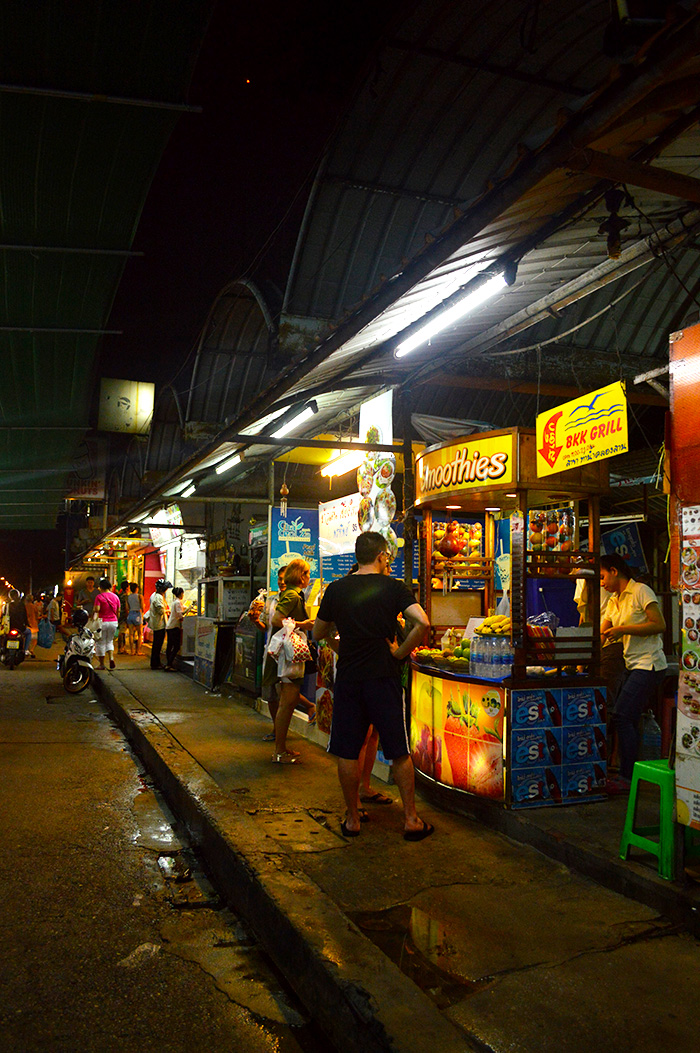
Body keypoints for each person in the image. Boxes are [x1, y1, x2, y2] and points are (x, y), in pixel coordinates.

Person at [313, 531, 433, 840]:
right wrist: (400, 652)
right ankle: (411, 820)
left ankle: (352, 818)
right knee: (399, 751)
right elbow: (422, 622)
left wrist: (340, 648)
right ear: (381, 556)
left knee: (347, 750)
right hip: (384, 677)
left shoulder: (336, 589)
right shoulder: (393, 587)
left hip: (350, 678)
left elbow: (318, 633)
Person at [600, 555, 667, 792]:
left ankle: (628, 777)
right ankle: (633, 773)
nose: (602, 583)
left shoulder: (640, 591)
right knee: (625, 717)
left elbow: (659, 624)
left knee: (622, 716)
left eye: (603, 576)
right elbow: (603, 633)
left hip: (649, 664)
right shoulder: (614, 600)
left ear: (614, 570)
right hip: (632, 665)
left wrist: (623, 630)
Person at [270, 559, 315, 763]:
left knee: (289, 700)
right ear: (300, 575)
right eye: (307, 574)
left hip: (290, 654)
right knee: (287, 703)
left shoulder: (293, 594)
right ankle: (279, 751)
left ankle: (281, 749)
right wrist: (303, 624)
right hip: (290, 654)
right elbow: (276, 619)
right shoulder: (292, 595)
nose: (308, 578)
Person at [93, 577, 121, 670]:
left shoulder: (99, 597)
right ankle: (111, 658)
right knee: (109, 641)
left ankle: (102, 664)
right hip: (113, 622)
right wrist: (116, 620)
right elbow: (118, 611)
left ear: (101, 587)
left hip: (103, 622)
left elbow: (97, 609)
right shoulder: (116, 597)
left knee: (101, 642)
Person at [164, 587, 193, 670]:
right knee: (176, 646)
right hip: (174, 626)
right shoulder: (177, 602)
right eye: (183, 593)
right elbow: (180, 615)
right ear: (180, 594)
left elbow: (181, 609)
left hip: (170, 626)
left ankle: (168, 664)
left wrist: (186, 608)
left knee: (170, 646)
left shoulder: (175, 602)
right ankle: (169, 664)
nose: (183, 595)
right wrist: (188, 609)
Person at [147, 579, 171, 670]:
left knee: (156, 644)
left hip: (157, 623)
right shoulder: (158, 597)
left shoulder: (154, 595)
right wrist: (167, 610)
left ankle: (155, 662)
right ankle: (155, 663)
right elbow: (160, 610)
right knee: (158, 644)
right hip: (159, 624)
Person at [126, 582, 144, 655]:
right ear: (137, 589)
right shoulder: (140, 596)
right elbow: (142, 607)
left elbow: (127, 608)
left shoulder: (128, 597)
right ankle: (138, 651)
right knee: (139, 634)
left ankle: (132, 651)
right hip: (137, 614)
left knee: (131, 634)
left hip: (130, 614)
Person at [116, 580, 130, 654]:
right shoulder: (126, 596)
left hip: (119, 615)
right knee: (122, 632)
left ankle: (122, 648)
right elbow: (127, 608)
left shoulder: (119, 595)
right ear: (127, 588)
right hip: (124, 616)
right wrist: (128, 616)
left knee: (122, 632)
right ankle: (120, 648)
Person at [24, 592, 39, 656]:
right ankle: (32, 650)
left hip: (26, 624)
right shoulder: (34, 606)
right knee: (34, 639)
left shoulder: (24, 606)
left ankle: (26, 649)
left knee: (26, 638)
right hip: (33, 624)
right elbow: (37, 615)